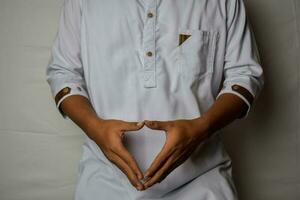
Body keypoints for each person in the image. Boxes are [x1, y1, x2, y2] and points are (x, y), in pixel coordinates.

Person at [46, 0, 264, 199]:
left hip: (202, 180)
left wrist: (202, 127)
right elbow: (63, 73)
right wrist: (94, 127)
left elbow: (244, 75)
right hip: (105, 181)